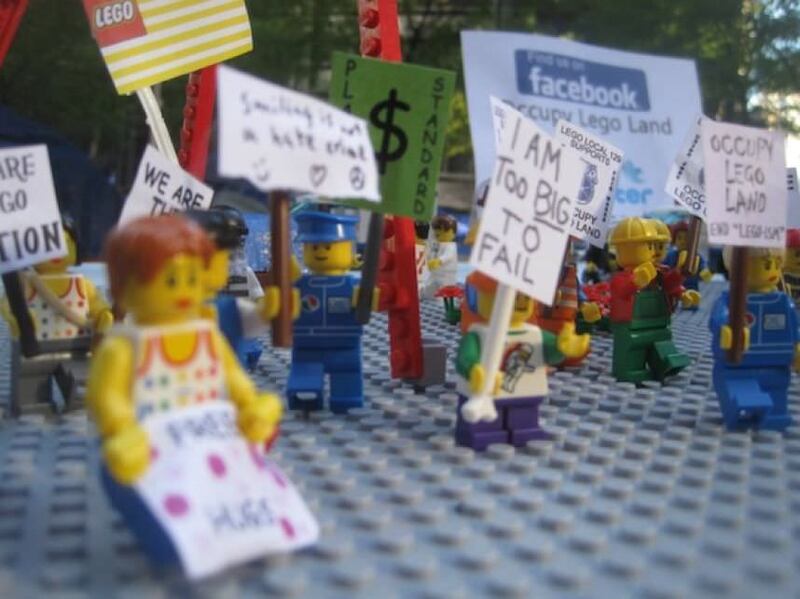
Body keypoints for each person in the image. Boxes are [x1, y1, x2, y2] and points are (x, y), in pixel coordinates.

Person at [86, 215, 282, 485]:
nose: (182, 292)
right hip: (150, 453)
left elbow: (233, 377)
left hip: (206, 445)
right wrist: (121, 427)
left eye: (191, 278)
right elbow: (107, 395)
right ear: (123, 286)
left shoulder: (207, 336)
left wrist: (248, 404)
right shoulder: (124, 346)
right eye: (169, 281)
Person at [454, 271, 590, 450]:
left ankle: (524, 430)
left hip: (525, 392)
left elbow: (548, 354)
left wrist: (561, 347)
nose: (519, 302)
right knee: (485, 422)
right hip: (486, 391)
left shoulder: (533, 333)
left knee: (523, 415)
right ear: (478, 299)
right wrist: (473, 370)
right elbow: (465, 357)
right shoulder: (478, 334)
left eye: (525, 297)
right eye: (512, 296)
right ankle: (483, 432)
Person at [0, 215, 113, 415]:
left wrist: (103, 315)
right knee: (32, 403)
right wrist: (16, 319)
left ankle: (77, 411)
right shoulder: (26, 283)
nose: (57, 250)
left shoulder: (82, 284)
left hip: (77, 349)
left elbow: (97, 303)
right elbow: (7, 305)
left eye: (65, 242)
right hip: (34, 348)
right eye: (49, 244)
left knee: (81, 398)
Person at [287, 211, 378, 413]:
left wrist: (370, 299)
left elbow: (371, 303)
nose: (321, 251)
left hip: (344, 344)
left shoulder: (353, 285)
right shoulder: (300, 284)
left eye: (328, 246)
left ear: (352, 254)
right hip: (307, 345)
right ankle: (307, 398)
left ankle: (346, 399)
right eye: (314, 247)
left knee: (347, 378)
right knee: (304, 380)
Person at [710, 246, 799, 431]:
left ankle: (776, 415)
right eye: (767, 265)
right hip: (739, 366)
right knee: (745, 395)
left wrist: (797, 348)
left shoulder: (783, 302)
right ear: (739, 266)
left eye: (777, 265)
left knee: (776, 393)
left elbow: (794, 328)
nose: (774, 271)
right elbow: (717, 320)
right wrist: (728, 326)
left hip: (777, 363)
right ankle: (745, 413)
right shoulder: (731, 301)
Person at [609, 217, 692, 384]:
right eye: (650, 246)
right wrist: (635, 281)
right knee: (632, 348)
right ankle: (631, 369)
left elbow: (669, 284)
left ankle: (662, 365)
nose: (655, 251)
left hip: (657, 321)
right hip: (631, 324)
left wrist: (680, 274)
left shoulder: (659, 272)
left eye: (658, 246)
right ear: (625, 249)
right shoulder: (622, 277)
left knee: (660, 343)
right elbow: (621, 290)